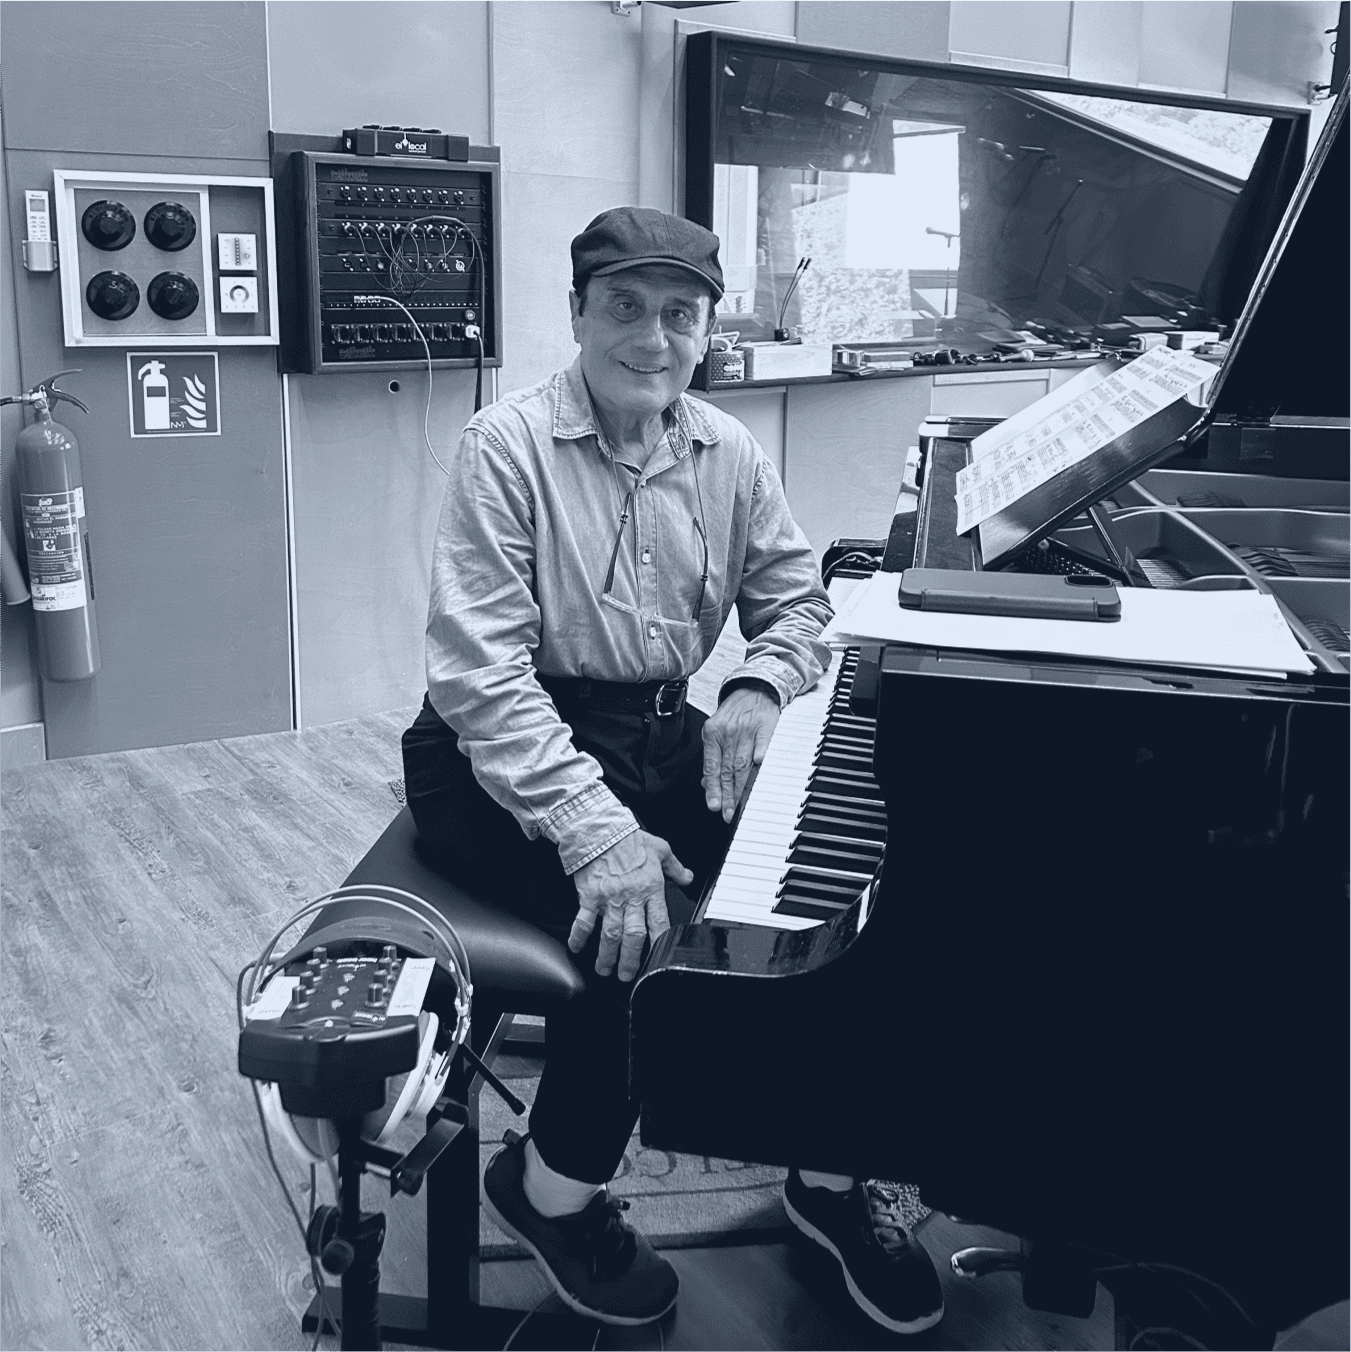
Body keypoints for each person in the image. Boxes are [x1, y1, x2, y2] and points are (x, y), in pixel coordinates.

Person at [401, 207, 943, 1333]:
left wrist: (754, 687)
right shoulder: (503, 446)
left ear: (705, 330)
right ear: (577, 315)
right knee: (644, 939)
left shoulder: (725, 448)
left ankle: (825, 1174)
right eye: (625, 308)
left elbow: (799, 601)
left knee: (827, 902)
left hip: (655, 731)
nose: (652, 337)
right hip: (497, 753)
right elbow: (478, 678)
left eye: (679, 314)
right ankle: (550, 1191)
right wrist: (598, 833)